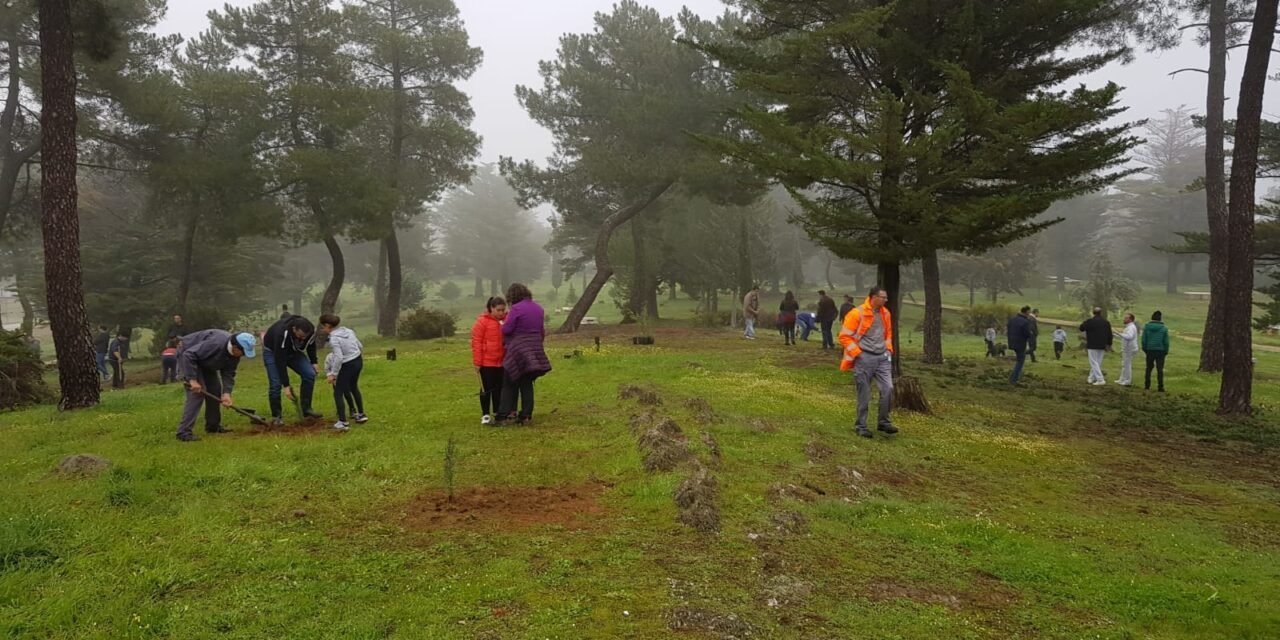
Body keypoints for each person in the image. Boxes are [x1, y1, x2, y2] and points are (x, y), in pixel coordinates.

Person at [175, 330, 256, 442]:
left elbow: (228, 374)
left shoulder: (234, 356)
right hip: (188, 355)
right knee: (197, 393)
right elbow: (189, 355)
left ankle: (213, 426)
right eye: (244, 352)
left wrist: (226, 394)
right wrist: (192, 380)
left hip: (205, 360)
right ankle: (183, 432)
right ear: (236, 348)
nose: (243, 356)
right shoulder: (215, 344)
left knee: (215, 389)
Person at [839, 287, 897, 439]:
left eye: (886, 297)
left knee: (888, 389)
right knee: (864, 393)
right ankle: (861, 426)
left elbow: (888, 333)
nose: (885, 300)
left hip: (882, 357)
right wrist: (858, 354)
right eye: (882, 297)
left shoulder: (886, 313)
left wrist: (888, 349)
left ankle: (883, 422)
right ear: (873, 297)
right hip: (865, 357)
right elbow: (844, 336)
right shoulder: (857, 313)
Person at [498, 283, 552, 425]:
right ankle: (526, 415)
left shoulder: (516, 309)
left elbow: (507, 330)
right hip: (535, 347)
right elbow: (541, 331)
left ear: (512, 296)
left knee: (509, 381)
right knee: (526, 382)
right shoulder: (538, 308)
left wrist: (502, 325)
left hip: (519, 348)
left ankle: (505, 414)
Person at [262, 313, 321, 425]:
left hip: (293, 352)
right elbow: (280, 361)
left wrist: (314, 362)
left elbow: (311, 345)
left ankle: (307, 409)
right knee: (275, 384)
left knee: (309, 374)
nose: (302, 339)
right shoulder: (281, 333)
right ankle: (277, 416)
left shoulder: (309, 330)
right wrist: (286, 385)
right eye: (300, 336)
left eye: (304, 337)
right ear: (294, 329)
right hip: (273, 352)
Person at [318, 314, 366, 431]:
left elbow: (339, 357)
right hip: (358, 361)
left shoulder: (334, 339)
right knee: (354, 387)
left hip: (348, 365)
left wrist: (333, 374)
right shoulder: (348, 331)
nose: (322, 329)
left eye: (323, 327)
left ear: (328, 326)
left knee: (338, 392)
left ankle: (342, 422)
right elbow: (360, 345)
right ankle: (361, 415)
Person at [472, 297, 508, 425]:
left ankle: (498, 412)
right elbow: (476, 342)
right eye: (498, 310)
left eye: (503, 310)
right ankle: (485, 414)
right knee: (486, 389)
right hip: (487, 362)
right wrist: (477, 362)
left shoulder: (506, 320)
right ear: (491, 308)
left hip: (502, 362)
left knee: (499, 389)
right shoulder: (482, 322)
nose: (501, 313)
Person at [1079, 307, 1113, 386]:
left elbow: (1081, 328)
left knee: (1093, 362)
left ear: (1093, 313)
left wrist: (1086, 321)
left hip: (1092, 344)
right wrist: (1109, 344)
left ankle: (1100, 379)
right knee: (1097, 362)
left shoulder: (1090, 321)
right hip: (1102, 345)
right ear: (1101, 313)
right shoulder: (1106, 322)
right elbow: (1109, 334)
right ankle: (1091, 378)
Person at [1142, 310, 1170, 392]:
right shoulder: (1164, 329)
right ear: (1160, 318)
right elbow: (1166, 342)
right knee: (1160, 369)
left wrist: (1145, 349)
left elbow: (1144, 340)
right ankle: (1160, 387)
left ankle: (1147, 385)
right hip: (1160, 350)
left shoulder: (1147, 327)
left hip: (1149, 349)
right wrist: (1166, 351)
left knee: (1148, 368)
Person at [1007, 306, 1034, 385]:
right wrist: (1030, 333)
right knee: (1020, 362)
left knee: (1019, 360)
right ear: (1026, 312)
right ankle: (1014, 380)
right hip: (1020, 343)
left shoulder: (1012, 319)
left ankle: (1013, 378)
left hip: (1012, 342)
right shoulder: (1025, 322)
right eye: (1029, 312)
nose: (1029, 314)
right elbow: (1027, 333)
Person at [1116, 313, 1139, 386]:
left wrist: (1118, 333)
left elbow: (1129, 337)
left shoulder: (1131, 327)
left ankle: (1127, 380)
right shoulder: (1128, 327)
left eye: (1126, 318)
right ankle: (1122, 379)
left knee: (1127, 365)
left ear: (1130, 319)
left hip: (1130, 349)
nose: (1124, 319)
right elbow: (1124, 336)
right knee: (1124, 364)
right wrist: (1114, 334)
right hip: (1127, 349)